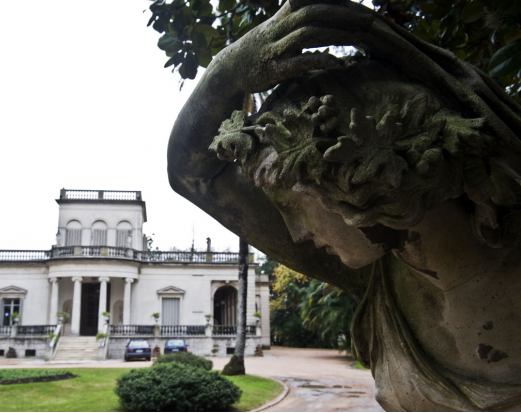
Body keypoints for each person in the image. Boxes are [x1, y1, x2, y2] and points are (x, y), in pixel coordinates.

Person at [167, 0, 521, 410]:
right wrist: (225, 73)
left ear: (357, 173)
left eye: (293, 204)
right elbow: (190, 174)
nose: (296, 232)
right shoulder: (377, 278)